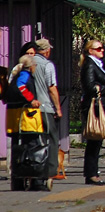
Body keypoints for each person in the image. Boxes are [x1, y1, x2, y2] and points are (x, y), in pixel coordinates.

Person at [80, 40, 105, 186]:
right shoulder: (90, 65)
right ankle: (91, 174)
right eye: (99, 49)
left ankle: (93, 173)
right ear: (90, 51)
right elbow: (90, 86)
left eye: (102, 48)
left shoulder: (97, 64)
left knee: (97, 141)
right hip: (93, 106)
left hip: (99, 105)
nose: (102, 50)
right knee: (94, 139)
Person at [32, 38, 62, 183]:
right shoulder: (47, 65)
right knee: (52, 138)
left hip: (29, 108)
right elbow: (52, 88)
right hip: (45, 107)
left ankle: (34, 168)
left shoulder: (26, 63)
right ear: (47, 51)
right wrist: (58, 108)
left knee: (34, 139)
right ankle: (50, 170)